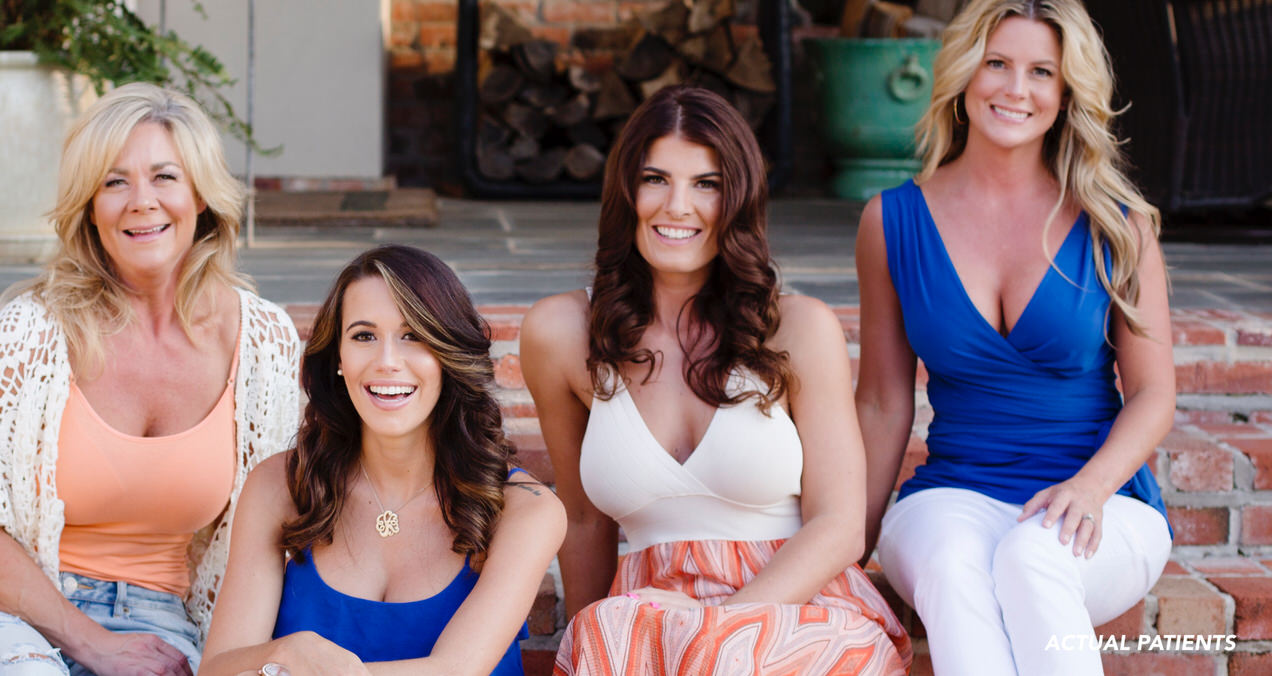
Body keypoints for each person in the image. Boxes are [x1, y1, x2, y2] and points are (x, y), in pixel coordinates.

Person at [0, 82, 303, 676]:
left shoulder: (263, 343)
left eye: (164, 177)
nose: (141, 201)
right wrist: (91, 643)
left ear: (201, 196)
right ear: (89, 207)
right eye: (114, 182)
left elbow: (272, 536)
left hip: (162, 623)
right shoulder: (31, 330)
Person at [523, 85, 909, 675]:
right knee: (608, 633)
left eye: (706, 184)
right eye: (656, 179)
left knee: (719, 657)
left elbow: (839, 527)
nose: (677, 205)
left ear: (739, 199)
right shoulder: (562, 333)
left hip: (798, 611)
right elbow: (583, 520)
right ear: (626, 192)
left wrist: (720, 621)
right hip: (649, 617)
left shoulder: (797, 328)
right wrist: (586, 647)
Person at [856, 1, 1173, 673]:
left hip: (1101, 499)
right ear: (965, 74)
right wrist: (845, 542)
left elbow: (1153, 393)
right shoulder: (891, 222)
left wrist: (1090, 488)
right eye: (997, 63)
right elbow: (883, 402)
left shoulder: (1117, 225)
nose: (1014, 89)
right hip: (951, 496)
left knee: (1033, 557)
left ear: (1065, 95)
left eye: (1041, 72)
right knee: (950, 563)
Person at [199, 244, 565, 676]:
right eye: (364, 336)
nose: (387, 362)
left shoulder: (525, 508)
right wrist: (291, 652)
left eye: (413, 336)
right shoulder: (281, 486)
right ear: (338, 357)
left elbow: (455, 670)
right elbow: (218, 668)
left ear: (448, 355)